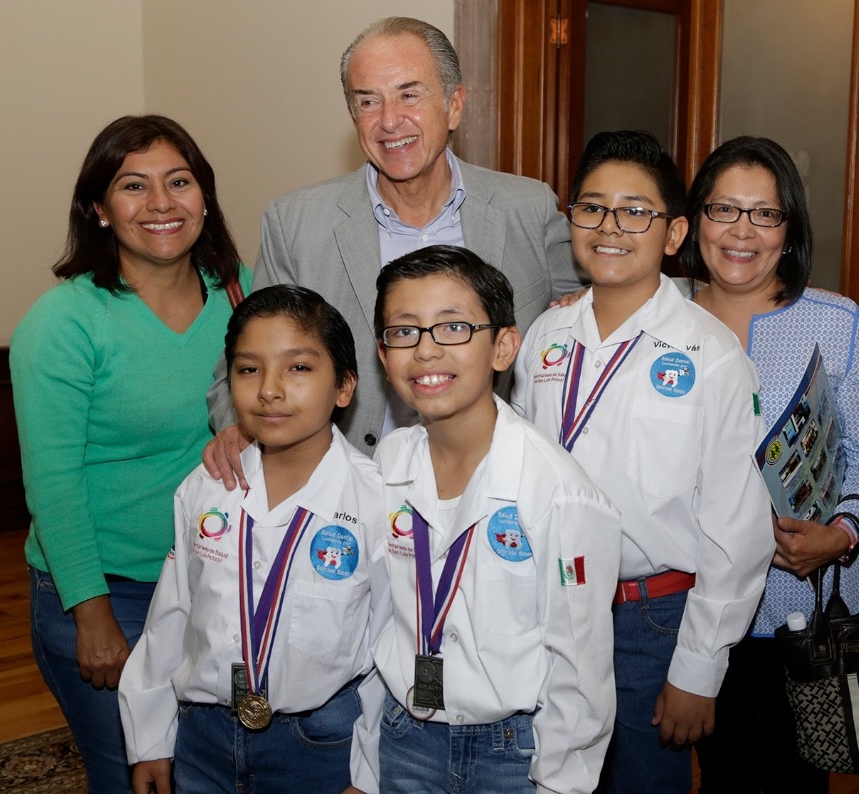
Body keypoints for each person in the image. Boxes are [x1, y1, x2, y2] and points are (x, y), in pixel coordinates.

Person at [512, 131, 775, 794]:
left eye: (635, 212)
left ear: (675, 232)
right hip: (545, 607)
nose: (610, 228)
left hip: (648, 621)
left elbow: (738, 527)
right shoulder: (546, 336)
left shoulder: (711, 353)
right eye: (592, 209)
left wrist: (699, 667)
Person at [10, 114, 251, 794]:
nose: (160, 202)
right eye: (133, 185)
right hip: (109, 591)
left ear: (204, 198)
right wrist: (92, 615)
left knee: (200, 783)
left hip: (210, 584)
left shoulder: (238, 299)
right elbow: (52, 484)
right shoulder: (64, 321)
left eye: (179, 181)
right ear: (99, 208)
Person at [204, 16, 582, 482]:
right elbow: (239, 365)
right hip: (348, 494)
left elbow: (585, 323)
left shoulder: (527, 207)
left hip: (498, 485)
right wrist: (241, 429)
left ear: (454, 104)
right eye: (368, 101)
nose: (388, 121)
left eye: (409, 94)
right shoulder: (297, 223)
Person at [370, 245, 621, 794]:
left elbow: (580, 682)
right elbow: (377, 620)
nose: (426, 349)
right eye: (404, 331)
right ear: (382, 354)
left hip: (519, 754)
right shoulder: (386, 465)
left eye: (454, 326)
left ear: (504, 347)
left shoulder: (560, 494)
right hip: (410, 743)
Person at [118, 285, 385, 794]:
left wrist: (371, 775)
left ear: (344, 386)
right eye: (248, 369)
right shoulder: (206, 488)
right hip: (205, 740)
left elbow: (391, 645)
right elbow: (172, 617)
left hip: (317, 745)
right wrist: (149, 739)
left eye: (299, 368)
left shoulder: (377, 502)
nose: (269, 390)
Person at [680, 136, 859, 794]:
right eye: (724, 208)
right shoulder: (658, 320)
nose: (742, 230)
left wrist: (842, 534)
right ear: (693, 220)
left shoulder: (840, 323)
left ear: (790, 229)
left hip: (805, 615)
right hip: (692, 609)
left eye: (764, 214)